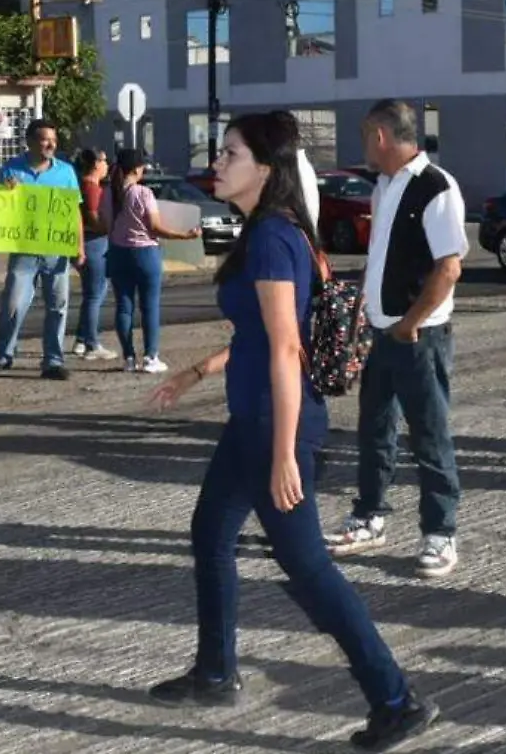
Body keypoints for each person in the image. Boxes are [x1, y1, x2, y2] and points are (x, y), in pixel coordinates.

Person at [146, 111, 438, 750]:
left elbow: (285, 351)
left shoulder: (275, 238)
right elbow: (261, 337)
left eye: (230, 154)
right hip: (254, 419)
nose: (217, 163)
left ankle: (396, 699)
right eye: (220, 153)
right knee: (211, 533)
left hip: (276, 425)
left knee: (307, 569)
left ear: (267, 169)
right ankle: (217, 672)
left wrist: (284, 453)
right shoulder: (265, 233)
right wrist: (195, 373)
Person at [324, 100, 469, 579]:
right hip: (384, 332)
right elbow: (382, 254)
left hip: (419, 337)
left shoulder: (436, 188)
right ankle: (369, 516)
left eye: (366, 136)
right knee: (375, 429)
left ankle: (440, 533)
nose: (364, 146)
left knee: (429, 435)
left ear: (381, 136)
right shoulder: (384, 186)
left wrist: (410, 322)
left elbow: (449, 267)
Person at [0, 120, 84, 382]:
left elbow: (74, 213)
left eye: (54, 140)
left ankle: (53, 362)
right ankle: (3, 357)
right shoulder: (11, 169)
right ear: (30, 141)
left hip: (56, 250)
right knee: (13, 305)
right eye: (45, 139)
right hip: (24, 251)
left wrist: (79, 247)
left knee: (58, 307)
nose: (50, 144)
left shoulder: (66, 172)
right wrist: (7, 193)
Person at [105, 147, 200, 373]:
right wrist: (185, 236)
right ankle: (150, 357)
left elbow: (104, 223)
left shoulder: (109, 193)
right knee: (149, 306)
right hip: (145, 252)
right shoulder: (143, 193)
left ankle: (128, 357)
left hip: (118, 251)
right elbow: (155, 227)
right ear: (138, 168)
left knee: (124, 306)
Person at [72, 148, 116, 361]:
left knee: (94, 292)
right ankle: (92, 344)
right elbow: (92, 217)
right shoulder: (90, 188)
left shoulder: (86, 185)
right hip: (93, 244)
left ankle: (81, 339)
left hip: (90, 244)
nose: (107, 165)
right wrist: (111, 228)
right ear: (96, 164)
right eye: (104, 161)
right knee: (95, 294)